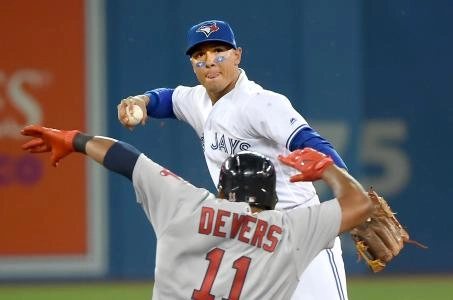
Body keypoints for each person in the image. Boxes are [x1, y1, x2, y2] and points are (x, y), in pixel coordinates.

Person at [117, 20, 352, 300]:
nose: (209, 61)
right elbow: (167, 99)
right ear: (193, 63)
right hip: (252, 237)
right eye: (199, 55)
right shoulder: (197, 101)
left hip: (299, 230)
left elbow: (316, 145)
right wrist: (142, 101)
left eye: (219, 51)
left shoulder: (261, 103)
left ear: (237, 55)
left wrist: (349, 198)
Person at [20, 124, 372, 300]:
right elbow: (360, 205)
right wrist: (327, 169)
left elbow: (126, 158)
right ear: (272, 197)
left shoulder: (184, 203)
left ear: (222, 190)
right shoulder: (292, 230)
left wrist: (73, 140)